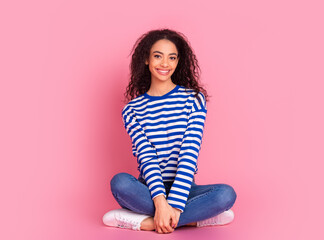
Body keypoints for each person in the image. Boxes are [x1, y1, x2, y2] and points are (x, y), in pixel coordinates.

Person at [102, 28, 237, 234]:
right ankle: (193, 220)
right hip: (149, 188)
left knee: (225, 195)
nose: (165, 64)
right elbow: (146, 157)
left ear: (177, 62)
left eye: (171, 58)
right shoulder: (132, 110)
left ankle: (144, 222)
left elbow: (189, 153)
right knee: (120, 183)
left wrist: (173, 204)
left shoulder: (194, 99)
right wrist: (160, 202)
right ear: (146, 59)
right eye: (158, 56)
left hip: (184, 188)